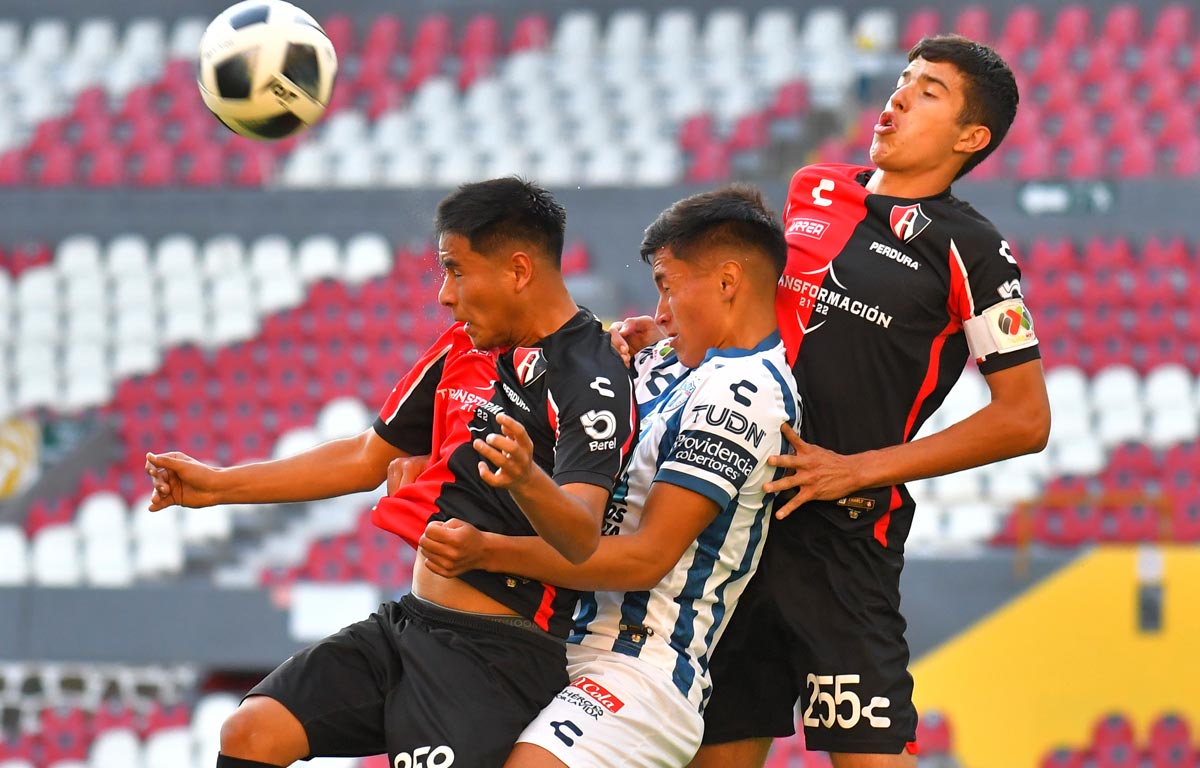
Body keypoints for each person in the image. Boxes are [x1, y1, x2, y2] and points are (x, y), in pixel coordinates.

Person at [616, 35, 1051, 767]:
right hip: (734, 523)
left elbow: (1025, 417)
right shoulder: (814, 188)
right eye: (904, 80)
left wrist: (858, 471)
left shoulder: (973, 250)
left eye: (930, 91)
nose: (900, 96)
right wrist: (670, 326)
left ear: (970, 138)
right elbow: (754, 317)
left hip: (844, 544)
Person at [144, 177, 637, 768]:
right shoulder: (463, 348)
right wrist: (216, 485)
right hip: (409, 625)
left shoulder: (593, 375)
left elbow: (583, 533)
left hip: (498, 655)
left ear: (519, 270)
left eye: (456, 270)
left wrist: (526, 483)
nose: (444, 296)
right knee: (251, 732)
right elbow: (365, 457)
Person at [413, 184, 801, 768]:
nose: (660, 309)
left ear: (727, 282)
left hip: (638, 664)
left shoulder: (747, 397)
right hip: (556, 644)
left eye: (669, 286)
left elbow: (646, 558)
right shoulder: (667, 358)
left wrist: (487, 551)